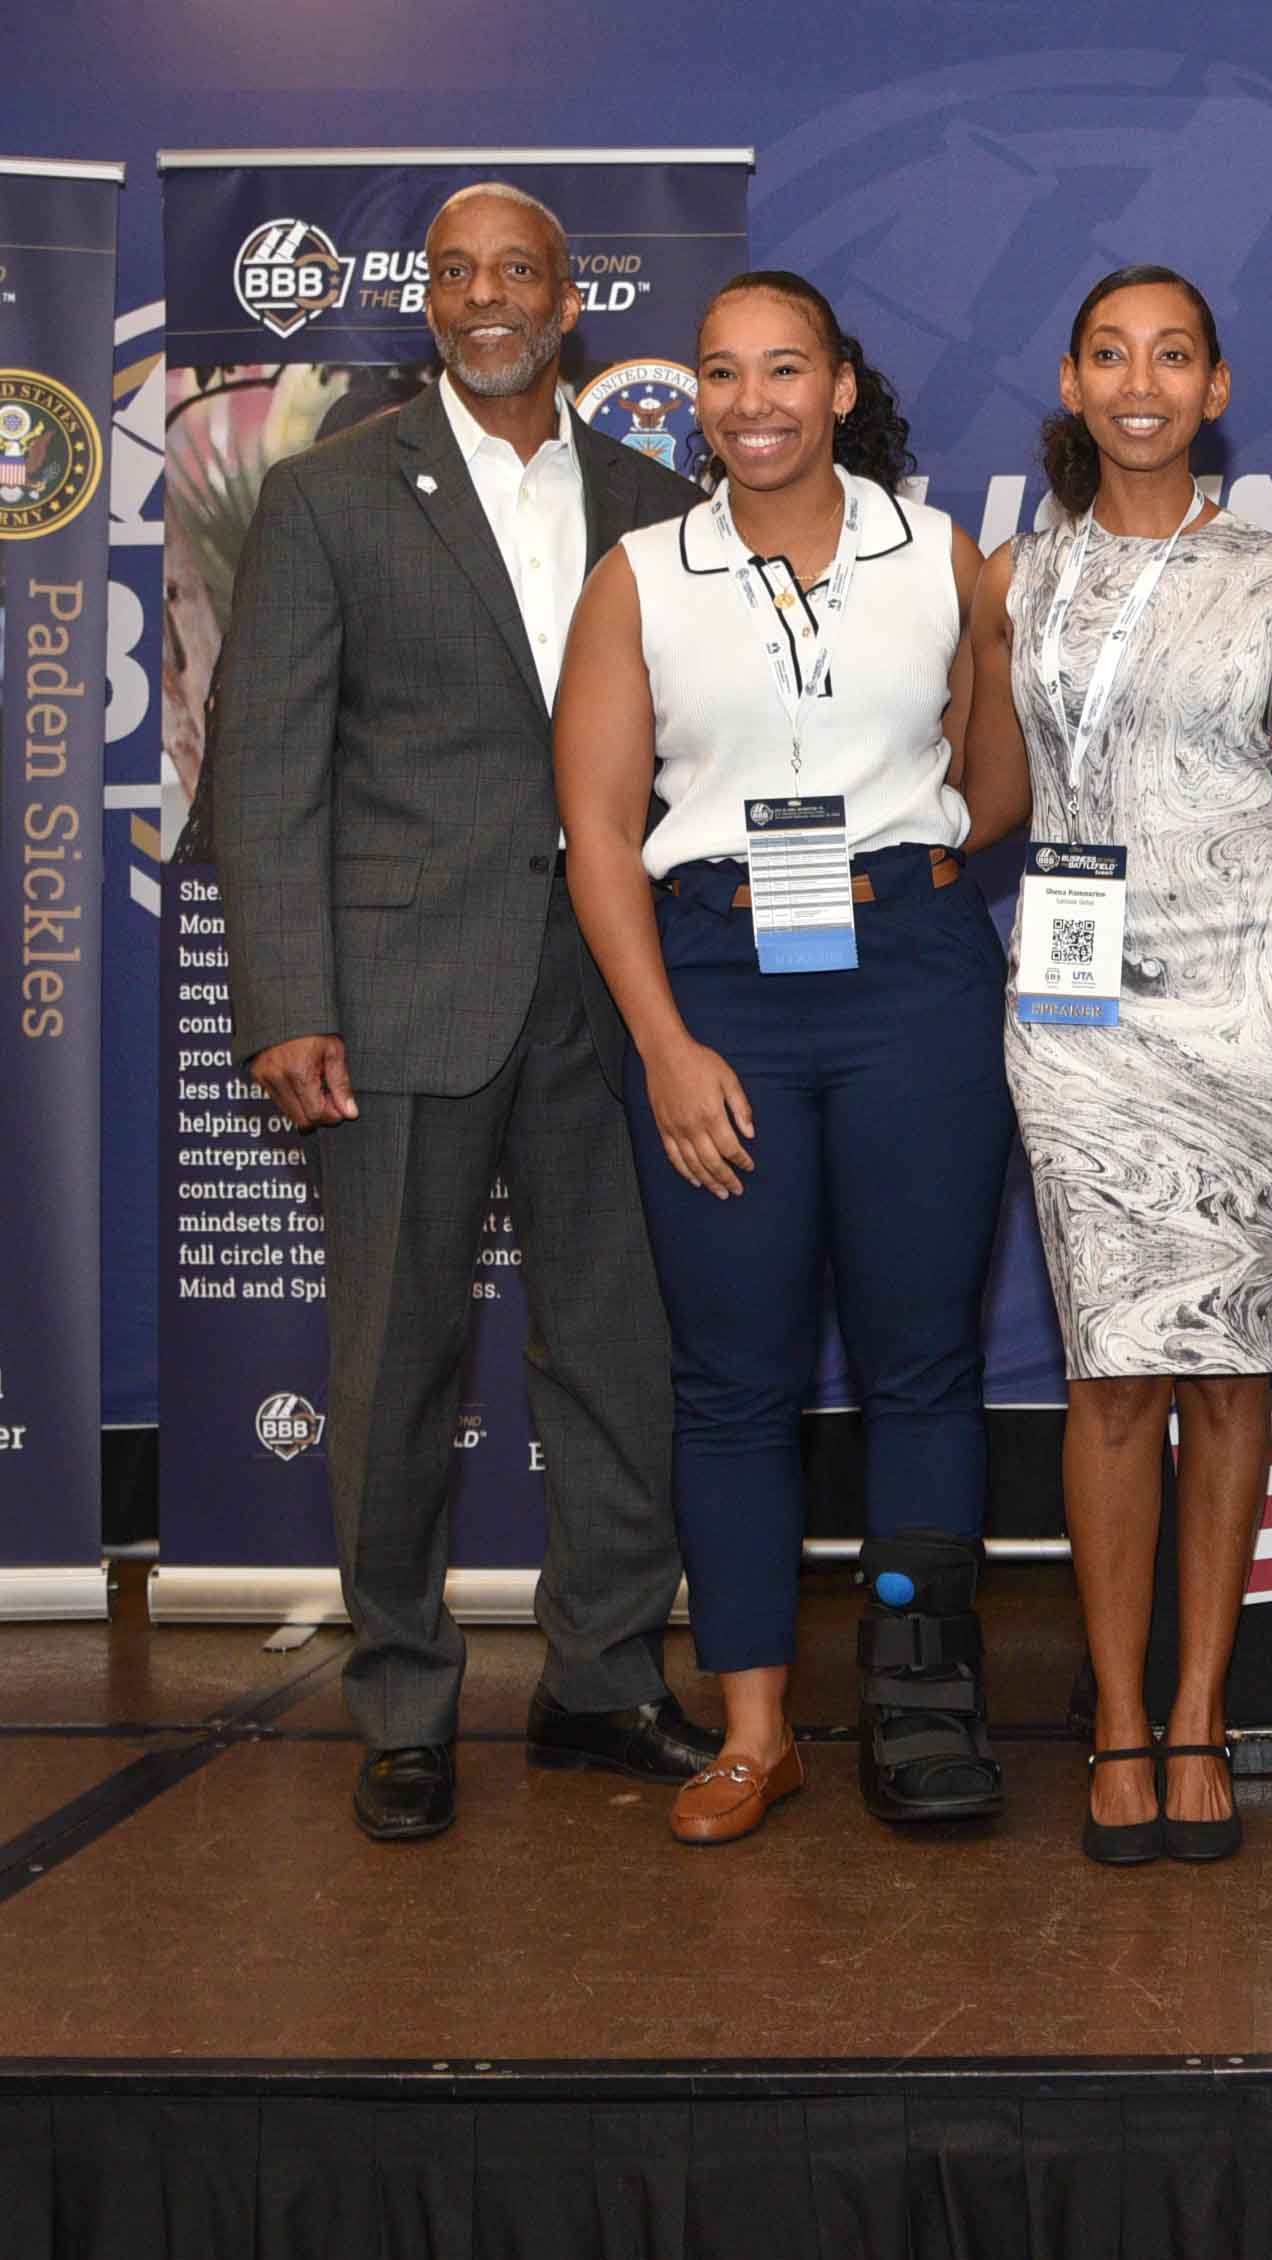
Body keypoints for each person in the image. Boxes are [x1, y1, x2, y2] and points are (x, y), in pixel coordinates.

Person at [210, 182, 717, 1842]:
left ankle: (600, 1678)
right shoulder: (331, 495)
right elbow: (264, 767)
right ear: (423, 300)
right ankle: (407, 1704)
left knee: (620, 1356)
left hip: (611, 996)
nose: (483, 297)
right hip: (397, 992)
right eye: (453, 273)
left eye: (516, 271)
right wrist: (285, 995)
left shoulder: (658, 502)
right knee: (394, 1364)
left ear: (570, 300)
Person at [554, 270, 1014, 1846]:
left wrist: (921, 878)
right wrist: (667, 1047)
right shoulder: (640, 575)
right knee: (736, 1381)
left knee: (923, 1365)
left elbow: (991, 772)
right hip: (715, 989)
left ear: (837, 388)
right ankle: (756, 1733)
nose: (751, 402)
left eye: (783, 371)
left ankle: (920, 1705)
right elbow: (600, 837)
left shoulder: (937, 556)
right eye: (721, 375)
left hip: (912, 984)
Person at [966, 265, 1272, 1865]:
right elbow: (985, 801)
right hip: (1080, 1015)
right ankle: (1114, 1720)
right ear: (1071, 380)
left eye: (1175, 356)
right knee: (1112, 1368)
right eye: (1112, 354)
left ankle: (1202, 1712)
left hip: (1255, 995)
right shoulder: (1013, 583)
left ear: (1216, 388)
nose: (1142, 381)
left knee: (1228, 1369)